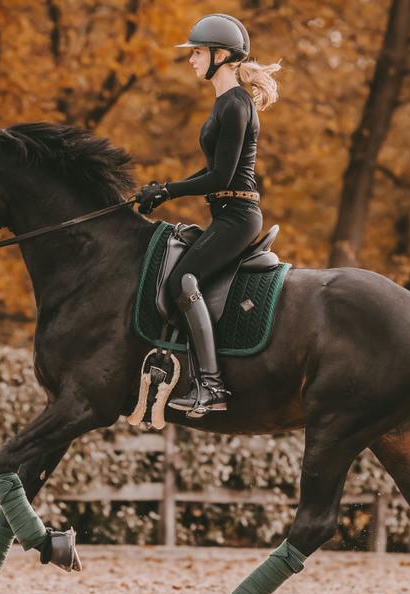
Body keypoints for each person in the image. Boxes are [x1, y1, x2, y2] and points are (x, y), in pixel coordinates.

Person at [135, 13, 281, 418]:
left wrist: (168, 190)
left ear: (221, 56)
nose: (191, 59)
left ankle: (212, 386)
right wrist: (162, 190)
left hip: (238, 216)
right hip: (227, 214)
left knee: (183, 281)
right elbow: (212, 170)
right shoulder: (225, 104)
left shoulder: (235, 105)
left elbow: (220, 177)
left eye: (197, 52)